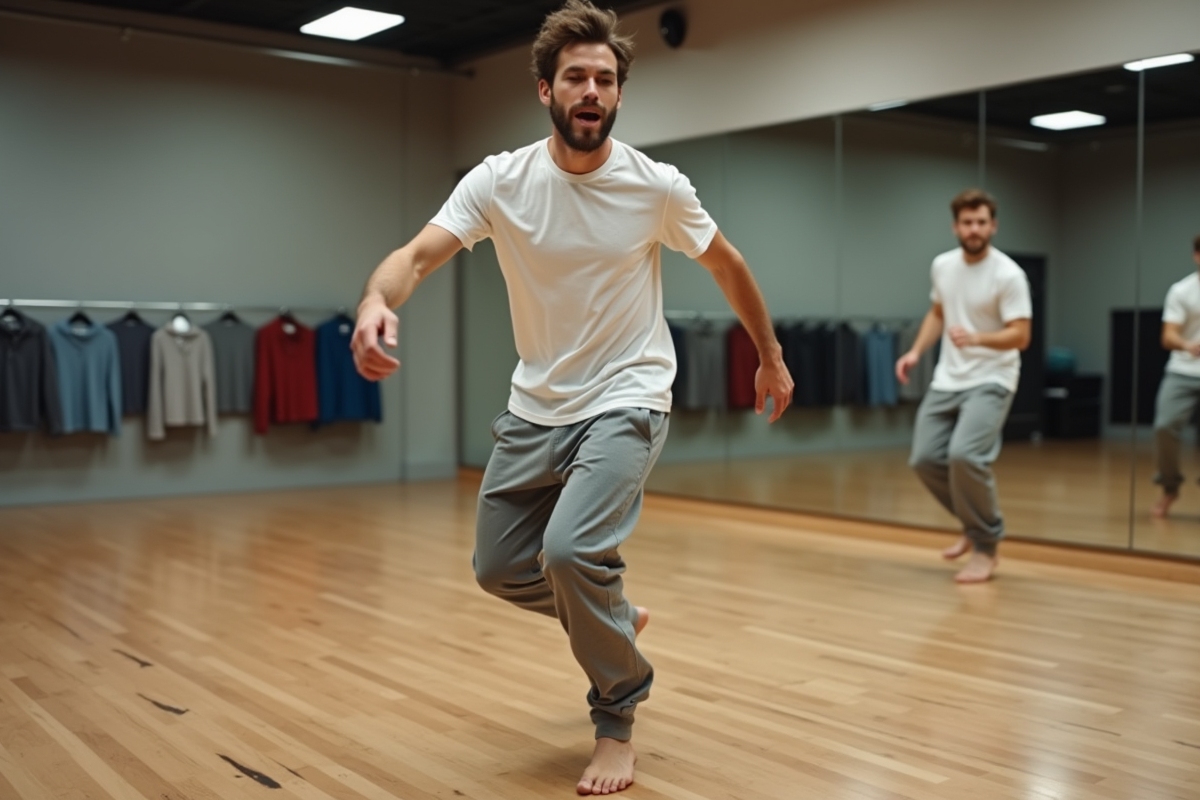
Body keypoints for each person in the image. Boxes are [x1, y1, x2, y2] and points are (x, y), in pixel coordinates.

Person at [350, 1, 793, 794]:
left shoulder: (656, 186)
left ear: (619, 95)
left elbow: (727, 263)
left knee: (568, 552)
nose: (591, 90)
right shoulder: (500, 180)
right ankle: (610, 617)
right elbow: (414, 258)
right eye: (575, 78)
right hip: (535, 404)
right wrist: (376, 303)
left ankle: (617, 716)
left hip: (628, 395)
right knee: (496, 567)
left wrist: (769, 354)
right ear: (545, 91)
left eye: (605, 79)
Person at [895, 189, 1031, 583]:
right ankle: (975, 526)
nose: (974, 229)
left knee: (965, 456)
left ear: (993, 226)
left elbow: (1021, 336)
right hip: (948, 378)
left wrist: (977, 339)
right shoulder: (943, 265)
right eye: (968, 222)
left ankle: (986, 545)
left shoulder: (1009, 275)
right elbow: (939, 311)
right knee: (924, 458)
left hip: (993, 377)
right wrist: (916, 352)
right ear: (956, 226)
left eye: (982, 222)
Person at [1150, 234, 1200, 518]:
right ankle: (1169, 488)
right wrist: (1188, 345)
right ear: (1196, 256)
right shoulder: (1181, 291)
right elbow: (1168, 336)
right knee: (1165, 426)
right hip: (1183, 370)